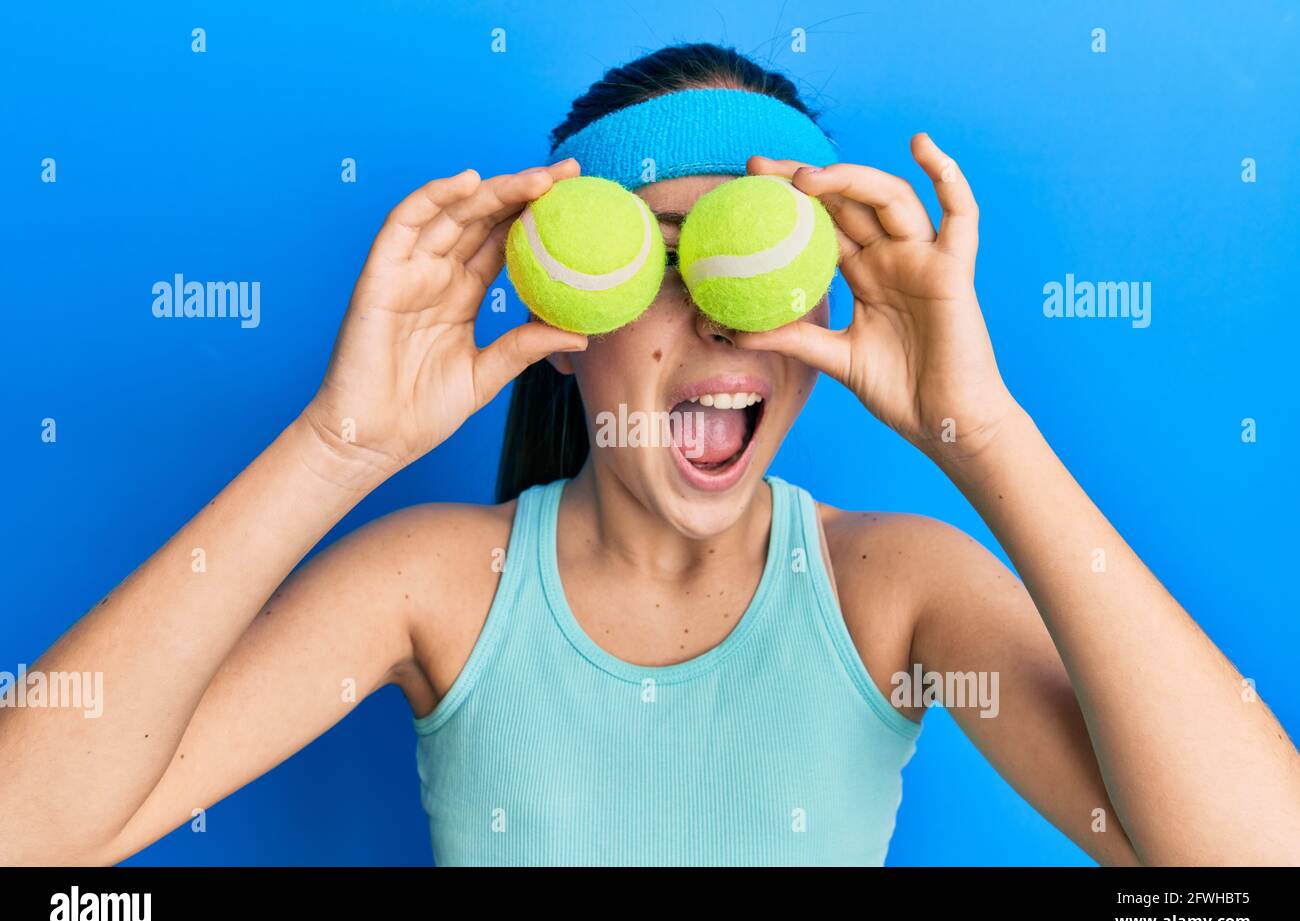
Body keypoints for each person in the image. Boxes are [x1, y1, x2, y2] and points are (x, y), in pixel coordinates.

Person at [2, 43, 1296, 866]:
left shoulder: (894, 591)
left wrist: (986, 434)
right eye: (663, 258)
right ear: (571, 320)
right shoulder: (437, 588)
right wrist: (339, 446)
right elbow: (29, 835)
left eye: (764, 261)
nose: (723, 320)